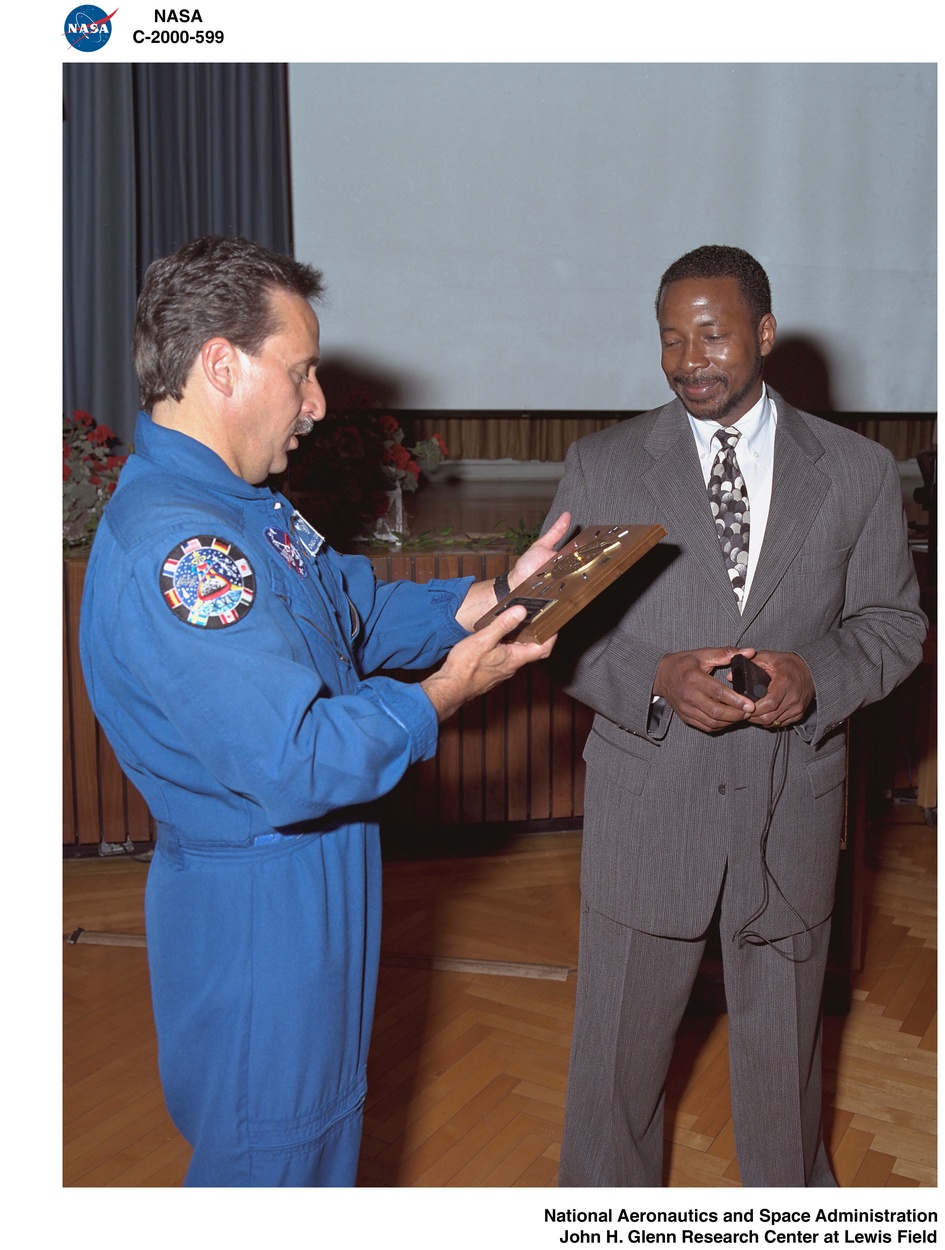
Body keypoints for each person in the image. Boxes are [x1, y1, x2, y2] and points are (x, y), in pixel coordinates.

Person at [78, 235, 571, 1187]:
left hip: (308, 871)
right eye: (301, 372)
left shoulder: (241, 508)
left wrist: (495, 591)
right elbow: (295, 760)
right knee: (275, 1159)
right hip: (263, 898)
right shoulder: (186, 548)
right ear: (220, 363)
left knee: (311, 1142)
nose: (318, 402)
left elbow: (348, 615)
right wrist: (445, 692)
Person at [543, 244, 926, 1187]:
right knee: (616, 1067)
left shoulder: (858, 472)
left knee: (782, 1060)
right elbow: (548, 631)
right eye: (670, 340)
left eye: (711, 334)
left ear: (763, 332)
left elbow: (892, 624)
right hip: (648, 807)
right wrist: (652, 676)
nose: (687, 361)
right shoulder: (603, 466)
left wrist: (818, 676)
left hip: (790, 805)